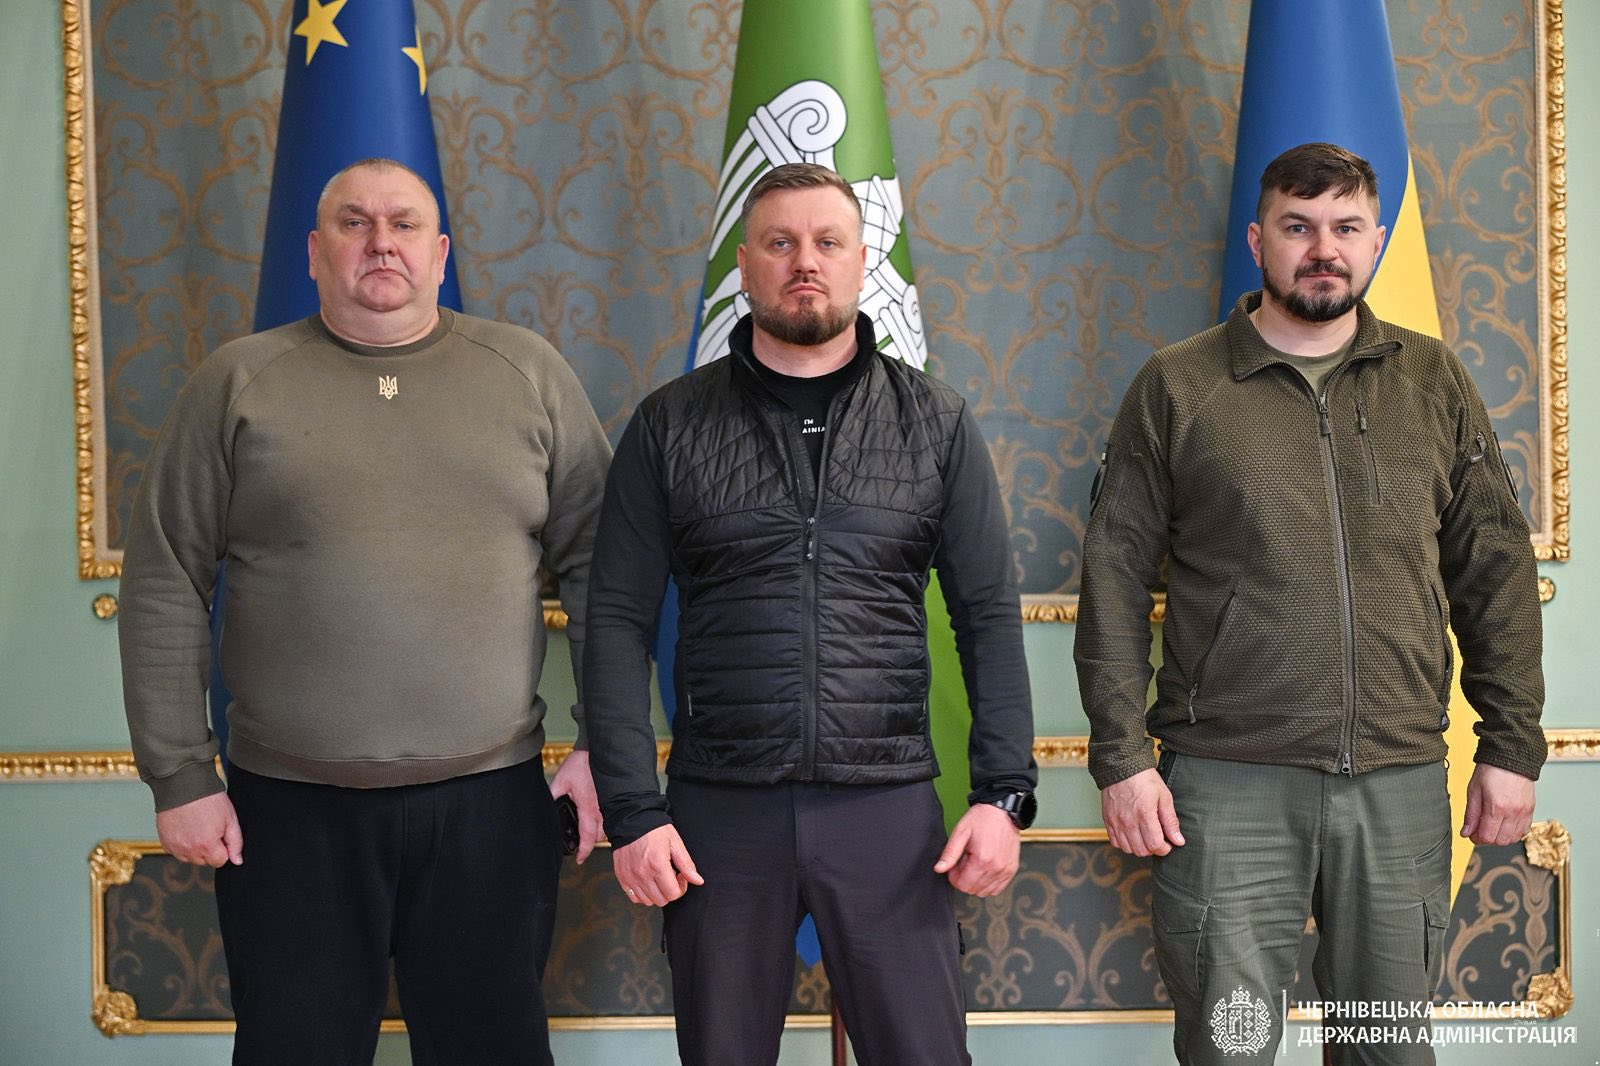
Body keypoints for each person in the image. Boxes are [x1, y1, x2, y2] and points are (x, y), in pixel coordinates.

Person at [117, 158, 612, 1066]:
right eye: (354, 223)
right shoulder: (237, 382)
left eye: (404, 224)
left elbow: (602, 571)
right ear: (313, 252)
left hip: (490, 805)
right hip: (288, 813)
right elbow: (164, 578)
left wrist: (600, 745)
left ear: (441, 252)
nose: (381, 243)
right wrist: (179, 775)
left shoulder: (528, 374)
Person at [1075, 142, 1545, 1065]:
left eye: (1344, 227)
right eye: (1298, 227)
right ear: (1259, 241)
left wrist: (1513, 744)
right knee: (1232, 1046)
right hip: (1226, 785)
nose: (1322, 248)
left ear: (1375, 241)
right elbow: (1115, 574)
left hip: (1398, 780)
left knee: (1387, 1050)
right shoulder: (1178, 385)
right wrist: (1121, 757)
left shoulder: (1433, 379)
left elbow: (1494, 566)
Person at [583, 162, 1037, 1065]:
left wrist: (1003, 796)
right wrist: (633, 811)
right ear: (744, 264)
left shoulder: (936, 423)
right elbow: (615, 624)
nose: (805, 262)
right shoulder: (669, 425)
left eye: (828, 242)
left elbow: (987, 614)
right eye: (780, 242)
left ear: (863, 260)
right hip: (718, 817)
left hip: (888, 812)